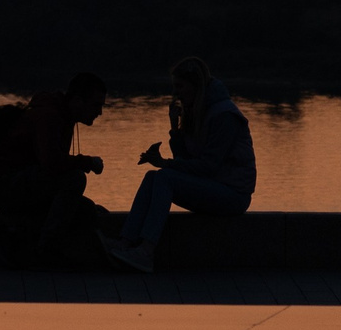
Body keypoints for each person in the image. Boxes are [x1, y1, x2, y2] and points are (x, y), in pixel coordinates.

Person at [102, 58, 253, 272]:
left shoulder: (224, 115)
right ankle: (126, 242)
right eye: (175, 87)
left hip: (232, 194)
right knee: (153, 177)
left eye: (180, 86)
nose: (177, 93)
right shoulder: (196, 111)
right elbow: (187, 161)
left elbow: (208, 167)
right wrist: (175, 129)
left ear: (196, 86)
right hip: (212, 187)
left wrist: (166, 163)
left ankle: (146, 251)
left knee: (164, 176)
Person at [0, 72, 108, 267]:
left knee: (88, 212)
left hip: (28, 185)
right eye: (96, 105)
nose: (99, 112)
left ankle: (12, 234)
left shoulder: (64, 117)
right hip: (5, 187)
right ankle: (45, 250)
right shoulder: (48, 116)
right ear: (77, 101)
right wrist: (88, 162)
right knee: (75, 179)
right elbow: (52, 164)